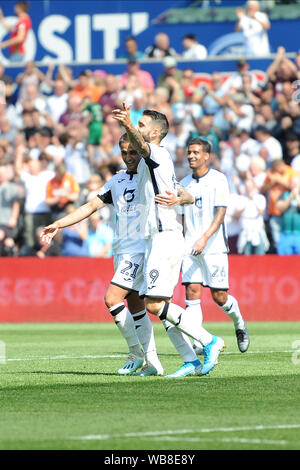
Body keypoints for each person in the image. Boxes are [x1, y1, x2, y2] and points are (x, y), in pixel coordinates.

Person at [112, 104, 225, 377]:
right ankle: (190, 360)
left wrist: (127, 123)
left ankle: (210, 341)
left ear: (153, 133)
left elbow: (141, 144)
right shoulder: (154, 164)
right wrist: (182, 197)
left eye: (141, 125)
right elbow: (183, 192)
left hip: (164, 238)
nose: (137, 129)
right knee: (159, 306)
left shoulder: (157, 152)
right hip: (154, 239)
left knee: (153, 304)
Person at [40, 135, 164, 377]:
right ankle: (153, 363)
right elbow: (89, 207)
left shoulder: (151, 176)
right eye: (125, 152)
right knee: (137, 307)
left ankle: (136, 353)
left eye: (133, 152)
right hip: (122, 250)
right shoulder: (116, 181)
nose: (129, 157)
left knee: (112, 299)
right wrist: (59, 224)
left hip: (140, 250)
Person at [156, 138, 250, 356]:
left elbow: (221, 213)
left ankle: (240, 323)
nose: (191, 156)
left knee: (220, 297)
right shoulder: (183, 183)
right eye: (189, 152)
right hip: (190, 247)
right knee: (192, 292)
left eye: (196, 152)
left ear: (207, 156)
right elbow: (180, 218)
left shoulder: (219, 179)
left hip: (214, 245)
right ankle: (199, 341)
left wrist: (205, 238)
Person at [275, 175, 300, 255]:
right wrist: (290, 198)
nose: (294, 185)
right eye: (293, 183)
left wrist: (297, 197)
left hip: (298, 234)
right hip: (285, 234)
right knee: (284, 262)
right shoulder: (284, 195)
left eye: (296, 183)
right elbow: (279, 208)